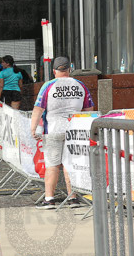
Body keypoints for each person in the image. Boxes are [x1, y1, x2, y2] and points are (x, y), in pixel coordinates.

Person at [30, 56, 94, 210]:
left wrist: (33, 128)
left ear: (54, 71)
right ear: (69, 70)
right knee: (70, 164)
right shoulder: (80, 85)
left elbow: (38, 109)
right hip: (75, 129)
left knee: (52, 165)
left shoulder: (48, 85)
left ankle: (49, 199)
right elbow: (89, 109)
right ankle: (73, 198)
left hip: (53, 129)